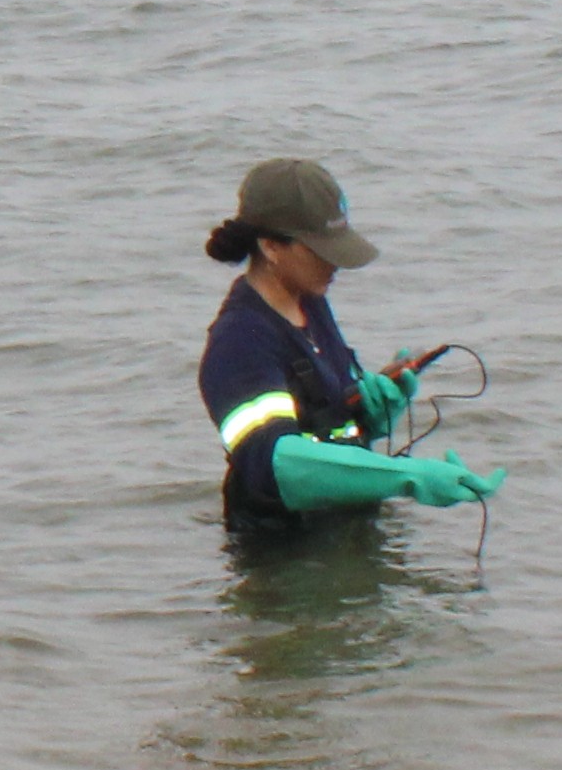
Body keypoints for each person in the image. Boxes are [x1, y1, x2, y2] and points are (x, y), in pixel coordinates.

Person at [198, 156, 500, 527]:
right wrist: (408, 477)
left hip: (351, 531)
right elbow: (277, 464)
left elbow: (324, 423)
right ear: (271, 246)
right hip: (284, 551)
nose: (336, 264)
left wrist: (371, 413)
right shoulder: (238, 341)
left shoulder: (312, 304)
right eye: (321, 251)